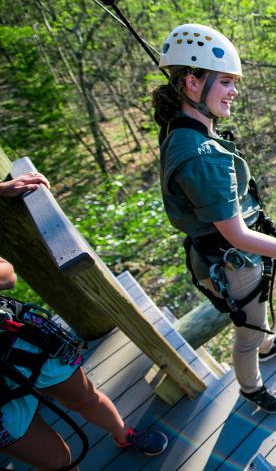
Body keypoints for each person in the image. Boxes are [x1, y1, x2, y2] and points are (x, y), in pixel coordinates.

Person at [152, 24, 276, 414]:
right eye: (226, 82)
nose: (234, 92)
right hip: (233, 259)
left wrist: (198, 101)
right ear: (192, 84)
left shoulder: (181, 128)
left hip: (223, 255)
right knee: (246, 331)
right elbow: (238, 235)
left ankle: (266, 342)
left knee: (255, 314)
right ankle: (251, 387)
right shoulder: (202, 157)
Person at [0, 176, 168, 470]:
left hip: (16, 341)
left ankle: (123, 434)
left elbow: (7, 274)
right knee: (57, 460)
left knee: (85, 397)